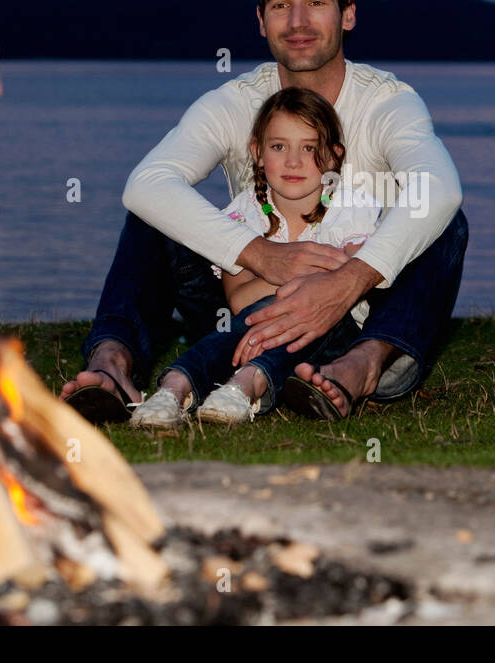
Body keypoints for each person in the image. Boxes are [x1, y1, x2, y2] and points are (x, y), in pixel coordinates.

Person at [60, 0, 467, 425]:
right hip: (242, 295)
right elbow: (147, 183)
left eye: (316, 2)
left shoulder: (386, 102)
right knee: (153, 212)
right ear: (261, 21)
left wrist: (344, 283)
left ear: (348, 14)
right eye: (280, 5)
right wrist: (261, 254)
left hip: (360, 309)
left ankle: (363, 365)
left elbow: (439, 187)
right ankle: (112, 364)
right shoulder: (235, 102)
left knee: (447, 223)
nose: (297, 22)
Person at [130, 87, 379, 426]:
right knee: (260, 315)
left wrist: (291, 288)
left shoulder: (351, 210)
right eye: (279, 147)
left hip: (333, 331)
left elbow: (348, 285)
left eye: (309, 147)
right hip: (246, 324)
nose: (293, 161)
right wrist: (297, 278)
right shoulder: (243, 214)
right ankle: (174, 388)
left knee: (300, 314)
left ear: (334, 156)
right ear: (258, 153)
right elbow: (238, 299)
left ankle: (244, 385)